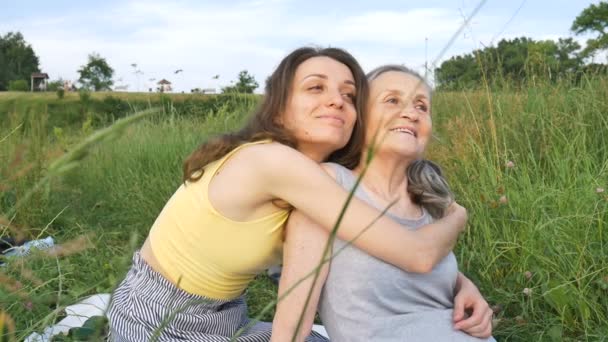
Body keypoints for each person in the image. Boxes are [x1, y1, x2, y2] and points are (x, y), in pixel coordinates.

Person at [107, 48, 468, 341]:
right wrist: (457, 215)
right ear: (279, 110)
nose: (337, 101)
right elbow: (416, 253)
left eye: (349, 95)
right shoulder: (275, 163)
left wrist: (461, 286)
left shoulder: (315, 182)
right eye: (315, 88)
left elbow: (374, 245)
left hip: (226, 317)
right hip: (157, 319)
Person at [272, 65, 495, 341]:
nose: (411, 113)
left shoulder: (429, 204)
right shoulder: (330, 186)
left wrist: (463, 285)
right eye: (392, 100)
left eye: (422, 106)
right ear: (360, 117)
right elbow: (293, 319)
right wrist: (459, 216)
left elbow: (409, 268)